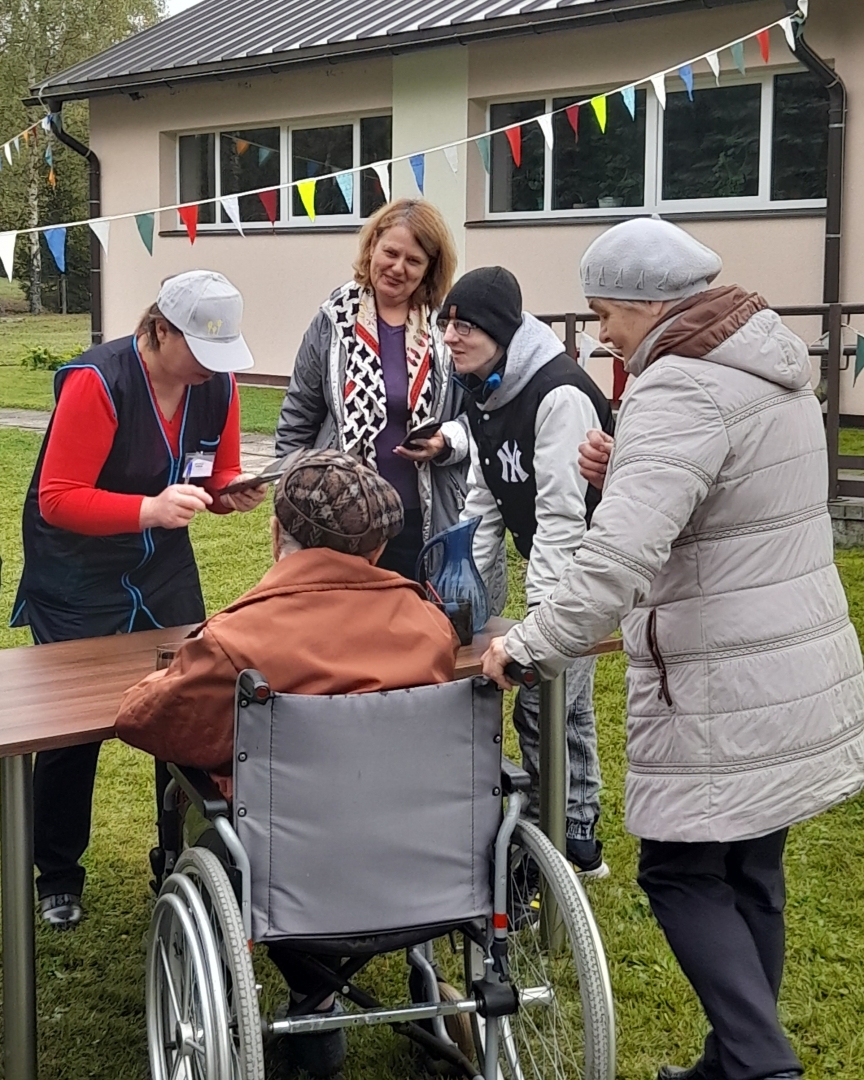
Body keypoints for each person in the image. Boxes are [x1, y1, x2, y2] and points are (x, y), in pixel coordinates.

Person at [482, 218, 864, 1080]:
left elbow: (616, 559)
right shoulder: (768, 366)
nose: (602, 333)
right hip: (795, 665)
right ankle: (733, 1061)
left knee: (681, 873)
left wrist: (532, 639)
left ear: (647, 304)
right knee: (752, 870)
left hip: (723, 679)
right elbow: (736, 502)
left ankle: (762, 1065)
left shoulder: (678, 386)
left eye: (605, 313)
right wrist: (629, 470)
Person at [116, 449, 459, 1078]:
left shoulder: (238, 641)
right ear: (378, 551)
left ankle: (315, 999)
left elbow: (149, 722)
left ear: (278, 534)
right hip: (425, 855)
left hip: (289, 869)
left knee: (232, 825)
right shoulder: (434, 629)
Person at [12, 270, 268, 931]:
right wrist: (149, 508)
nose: (213, 371)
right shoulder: (97, 382)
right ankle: (57, 874)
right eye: (202, 354)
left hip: (160, 568)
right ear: (158, 330)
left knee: (192, 698)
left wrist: (231, 490)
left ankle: (183, 860)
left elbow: (216, 472)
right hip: (74, 573)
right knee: (75, 728)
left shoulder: (220, 387)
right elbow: (57, 497)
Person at [438, 266, 614, 876]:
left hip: (590, 563)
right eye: (448, 323)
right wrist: (463, 598)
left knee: (547, 700)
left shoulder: (557, 395)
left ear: (504, 330)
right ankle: (573, 824)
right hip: (548, 549)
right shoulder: (484, 388)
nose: (452, 336)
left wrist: (541, 625)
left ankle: (563, 840)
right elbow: (483, 500)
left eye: (467, 325)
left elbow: (563, 518)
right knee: (561, 702)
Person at [275, 198, 468, 580]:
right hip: (341, 518)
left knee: (414, 626)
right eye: (391, 253)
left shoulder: (447, 326)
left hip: (423, 516)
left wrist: (445, 440)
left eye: (413, 261)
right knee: (340, 629)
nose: (398, 268)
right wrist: (290, 500)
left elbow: (475, 414)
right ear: (372, 246)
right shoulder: (333, 320)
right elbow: (299, 415)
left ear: (430, 268)